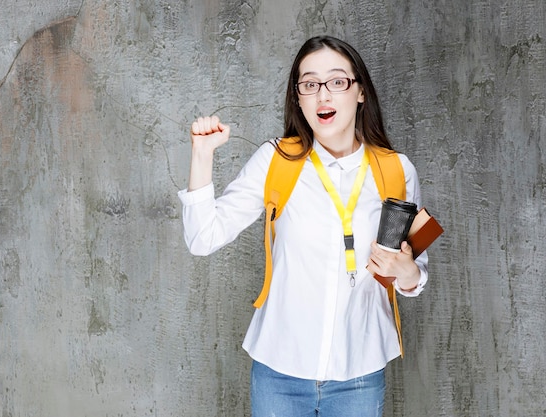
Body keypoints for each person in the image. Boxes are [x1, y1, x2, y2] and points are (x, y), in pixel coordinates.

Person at [178, 36, 428, 417]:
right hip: (279, 373)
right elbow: (202, 238)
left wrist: (406, 270)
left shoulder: (398, 170)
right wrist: (201, 155)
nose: (322, 95)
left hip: (359, 374)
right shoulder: (277, 161)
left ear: (360, 92)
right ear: (298, 98)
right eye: (309, 84)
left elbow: (413, 277)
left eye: (337, 82)